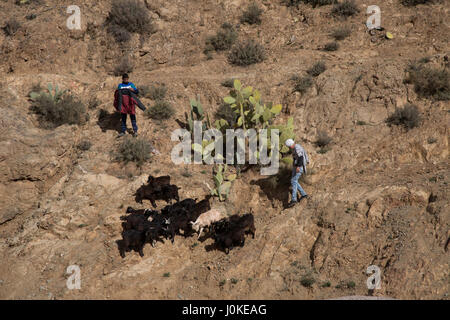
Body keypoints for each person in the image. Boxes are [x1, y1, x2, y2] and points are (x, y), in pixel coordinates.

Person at [285, 138, 309, 208]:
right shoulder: (296, 147)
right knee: (293, 181)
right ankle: (304, 194)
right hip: (296, 167)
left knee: (294, 181)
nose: (289, 148)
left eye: (289, 146)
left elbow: (301, 157)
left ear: (290, 145)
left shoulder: (297, 147)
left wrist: (298, 166)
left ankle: (294, 199)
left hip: (299, 167)